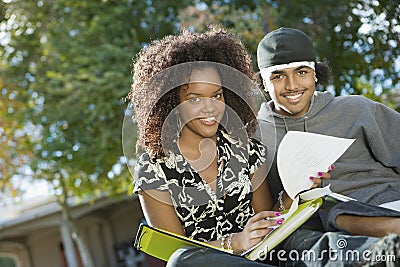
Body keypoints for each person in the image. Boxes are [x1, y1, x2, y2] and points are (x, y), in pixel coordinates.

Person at [126, 27, 328, 267]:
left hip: (265, 256)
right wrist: (235, 242)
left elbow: (267, 220)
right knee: (181, 262)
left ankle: (377, 252)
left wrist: (294, 190)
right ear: (171, 103)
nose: (210, 108)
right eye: (195, 99)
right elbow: (175, 252)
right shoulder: (153, 171)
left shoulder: (246, 150)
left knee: (309, 239)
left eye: (217, 95)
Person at [256, 27, 400, 266]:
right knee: (333, 212)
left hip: (388, 202)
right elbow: (268, 212)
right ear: (263, 81)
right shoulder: (256, 138)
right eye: (278, 76)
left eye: (301, 72)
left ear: (315, 73)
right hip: (328, 228)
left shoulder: (357, 109)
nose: (291, 85)